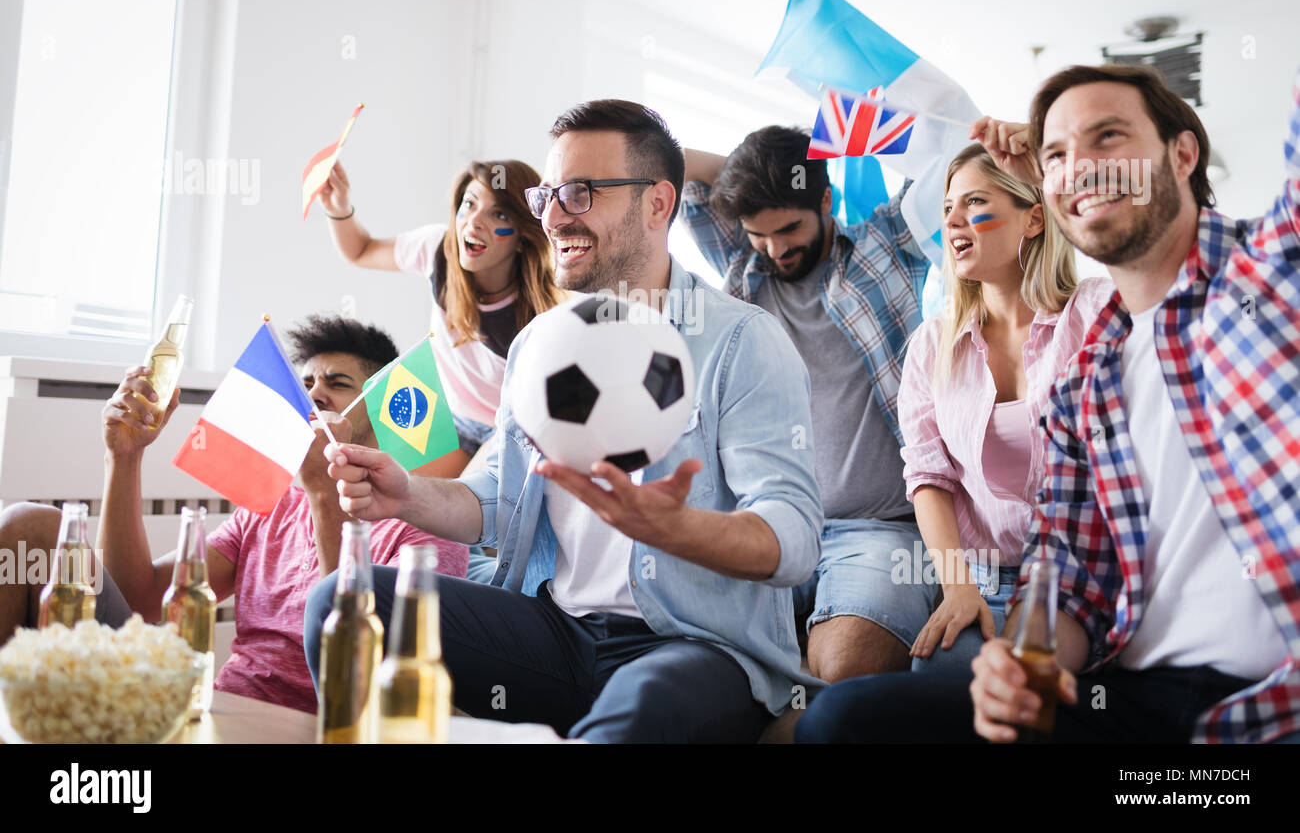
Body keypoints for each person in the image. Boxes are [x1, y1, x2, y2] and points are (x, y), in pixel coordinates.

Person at [797, 64, 1299, 743]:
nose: (1079, 166)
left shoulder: (1260, 285)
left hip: (1266, 704)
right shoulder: (1085, 379)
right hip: (1126, 693)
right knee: (839, 720)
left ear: (1182, 155)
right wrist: (1025, 659)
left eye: (1109, 137)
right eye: (1057, 153)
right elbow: (1067, 570)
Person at [306, 100, 824, 743]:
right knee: (343, 601)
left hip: (692, 648)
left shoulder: (745, 341)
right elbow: (493, 497)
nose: (550, 215)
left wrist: (677, 527)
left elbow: (795, 541)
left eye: (580, 193)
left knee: (644, 707)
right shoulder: (538, 345)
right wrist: (406, 493)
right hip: (558, 635)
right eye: (547, 193)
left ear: (659, 204)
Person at [0, 315, 468, 715]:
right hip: (217, 707)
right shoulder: (270, 508)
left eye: (336, 384)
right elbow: (142, 601)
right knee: (29, 528)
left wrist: (326, 494)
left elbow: (367, 672)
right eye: (306, 384)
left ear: (379, 412)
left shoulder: (425, 521)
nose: (314, 396)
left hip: (317, 722)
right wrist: (124, 459)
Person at [679, 126, 935, 682]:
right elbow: (674, 164)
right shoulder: (746, 264)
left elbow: (946, 165)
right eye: (759, 234)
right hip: (766, 525)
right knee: (680, 650)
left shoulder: (884, 244)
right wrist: (755, 171)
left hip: (880, 531)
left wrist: (847, 130)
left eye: (790, 228)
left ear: (826, 200)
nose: (776, 249)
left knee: (845, 672)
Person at [902, 143, 1112, 674]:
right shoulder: (931, 347)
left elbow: (1170, 277)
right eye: (948, 207)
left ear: (1034, 218)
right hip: (982, 580)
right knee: (940, 679)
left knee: (1026, 694)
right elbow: (929, 478)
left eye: (974, 202)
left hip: (1089, 579)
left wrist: (1064, 162)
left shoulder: (1092, 312)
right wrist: (957, 588)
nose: (952, 221)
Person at [318, 159, 564, 476]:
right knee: (380, 483)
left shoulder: (541, 318)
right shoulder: (438, 250)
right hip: (444, 419)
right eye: (470, 204)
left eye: (498, 214)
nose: (473, 222)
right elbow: (360, 250)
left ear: (522, 236)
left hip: (505, 431)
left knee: (460, 504)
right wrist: (339, 207)